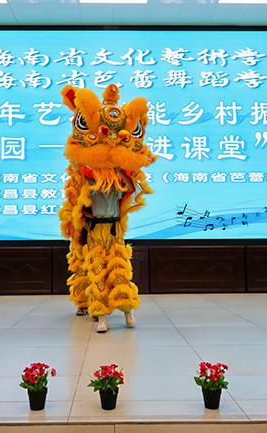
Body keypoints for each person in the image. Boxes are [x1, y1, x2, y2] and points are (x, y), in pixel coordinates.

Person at [59, 84, 156, 333]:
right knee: (96, 269)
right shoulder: (87, 176)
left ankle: (127, 310)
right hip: (94, 230)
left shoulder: (122, 179)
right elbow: (77, 197)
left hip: (114, 230)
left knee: (120, 269)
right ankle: (99, 313)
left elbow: (132, 185)